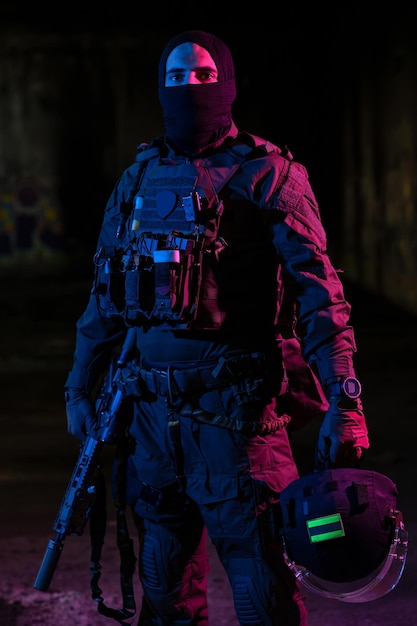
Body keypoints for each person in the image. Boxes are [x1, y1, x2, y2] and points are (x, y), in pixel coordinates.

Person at [64, 30, 370, 626]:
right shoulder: (137, 181)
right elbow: (104, 296)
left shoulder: (269, 175)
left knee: (261, 585)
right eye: (176, 78)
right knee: (163, 581)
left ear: (226, 83)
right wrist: (81, 384)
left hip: (238, 419)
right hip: (152, 419)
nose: (189, 90)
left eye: (203, 77)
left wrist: (345, 399)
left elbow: (320, 295)